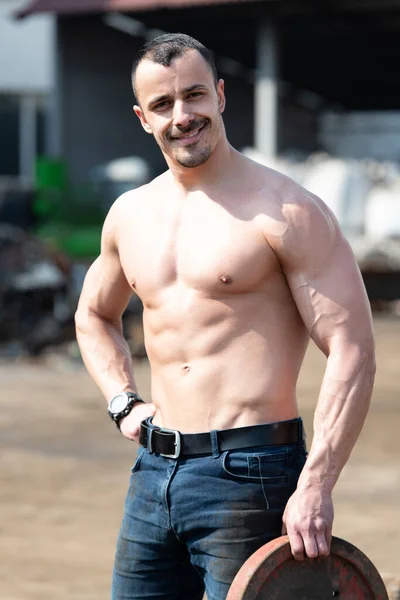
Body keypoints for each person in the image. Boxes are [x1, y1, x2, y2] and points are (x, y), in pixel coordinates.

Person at [75, 33, 376, 600]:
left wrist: (317, 483)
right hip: (152, 475)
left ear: (219, 95)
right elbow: (93, 315)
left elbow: (353, 348)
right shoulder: (130, 215)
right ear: (143, 118)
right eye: (163, 105)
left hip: (252, 475)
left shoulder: (287, 211)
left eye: (194, 96)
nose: (182, 116)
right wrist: (123, 400)